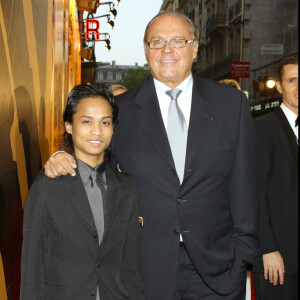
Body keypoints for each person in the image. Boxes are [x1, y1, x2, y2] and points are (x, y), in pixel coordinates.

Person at [44, 11, 259, 300]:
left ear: (195, 48)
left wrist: (242, 254)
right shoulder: (122, 110)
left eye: (178, 41)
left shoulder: (231, 105)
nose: (167, 50)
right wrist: (62, 155)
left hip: (218, 270)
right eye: (156, 42)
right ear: (146, 51)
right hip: (144, 269)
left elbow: (245, 183)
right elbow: (92, 156)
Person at [20, 83, 144, 300]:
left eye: (105, 122)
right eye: (87, 122)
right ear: (69, 125)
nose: (97, 131)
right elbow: (32, 265)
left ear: (113, 127)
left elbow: (131, 264)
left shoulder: (126, 188)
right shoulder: (48, 186)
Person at [252, 54, 298, 299]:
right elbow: (254, 193)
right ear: (279, 86)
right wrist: (267, 249)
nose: (298, 87)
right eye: (292, 80)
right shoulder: (263, 128)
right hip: (277, 259)